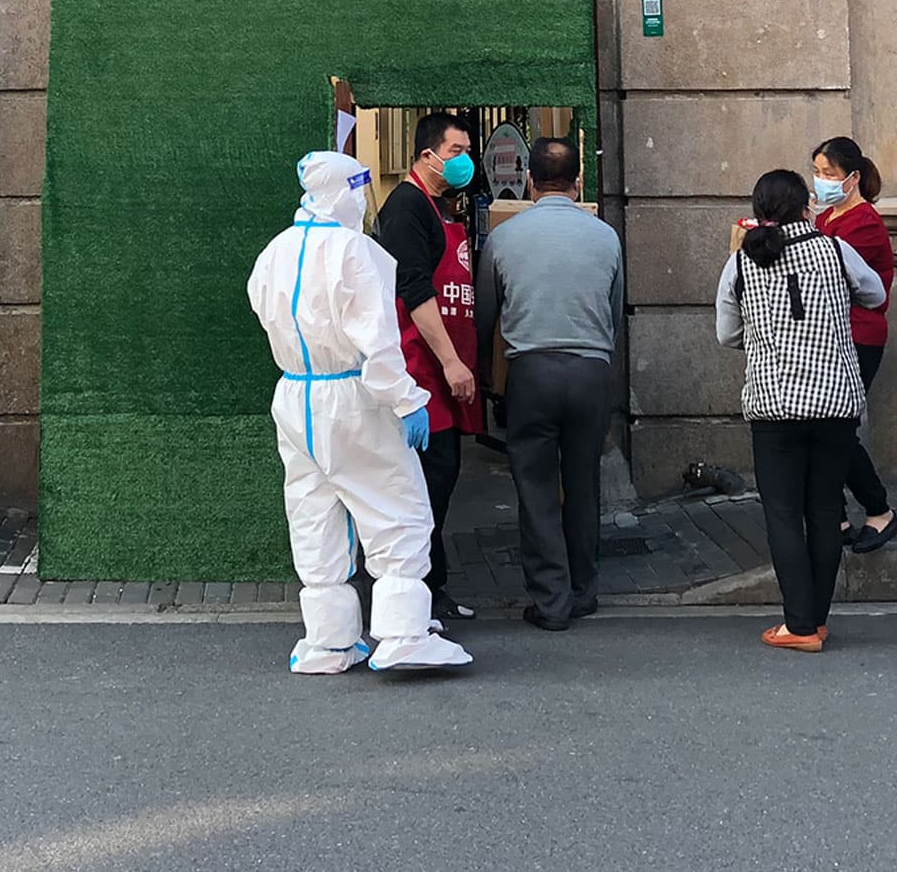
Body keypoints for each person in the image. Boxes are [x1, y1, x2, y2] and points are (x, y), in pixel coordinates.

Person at [246, 151, 473, 674]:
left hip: (296, 395)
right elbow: (379, 344)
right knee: (398, 510)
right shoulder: (355, 252)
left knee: (313, 513)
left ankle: (329, 641)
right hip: (353, 396)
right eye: (356, 187)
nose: (360, 198)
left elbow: (263, 310)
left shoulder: (275, 251)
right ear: (340, 192)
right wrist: (407, 400)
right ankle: (404, 635)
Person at [716, 170, 889, 653]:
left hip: (774, 406)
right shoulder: (835, 250)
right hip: (835, 401)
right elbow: (875, 294)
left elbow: (725, 334)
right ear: (806, 207)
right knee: (826, 508)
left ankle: (799, 624)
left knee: (783, 513)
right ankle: (815, 618)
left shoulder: (741, 263)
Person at [474, 137, 623, 632]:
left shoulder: (505, 237)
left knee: (536, 486)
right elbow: (614, 312)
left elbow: (485, 315)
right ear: (578, 181)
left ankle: (551, 599)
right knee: (583, 482)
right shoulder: (605, 237)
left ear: (532, 183)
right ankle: (584, 591)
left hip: (532, 371)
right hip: (591, 371)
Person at [373, 111, 484, 625]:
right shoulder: (406, 208)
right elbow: (413, 289)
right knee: (426, 484)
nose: (464, 162)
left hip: (446, 372)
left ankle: (431, 588)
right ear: (427, 155)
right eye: (456, 151)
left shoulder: (439, 207)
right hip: (422, 371)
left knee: (441, 478)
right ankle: (416, 594)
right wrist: (451, 361)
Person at [810, 137, 897, 555]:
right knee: (823, 428)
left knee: (838, 429)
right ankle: (836, 513)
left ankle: (879, 509)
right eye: (818, 173)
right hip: (831, 334)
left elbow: (827, 269)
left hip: (858, 334)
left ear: (853, 178)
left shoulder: (862, 223)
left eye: (829, 174)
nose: (823, 181)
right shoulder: (826, 217)